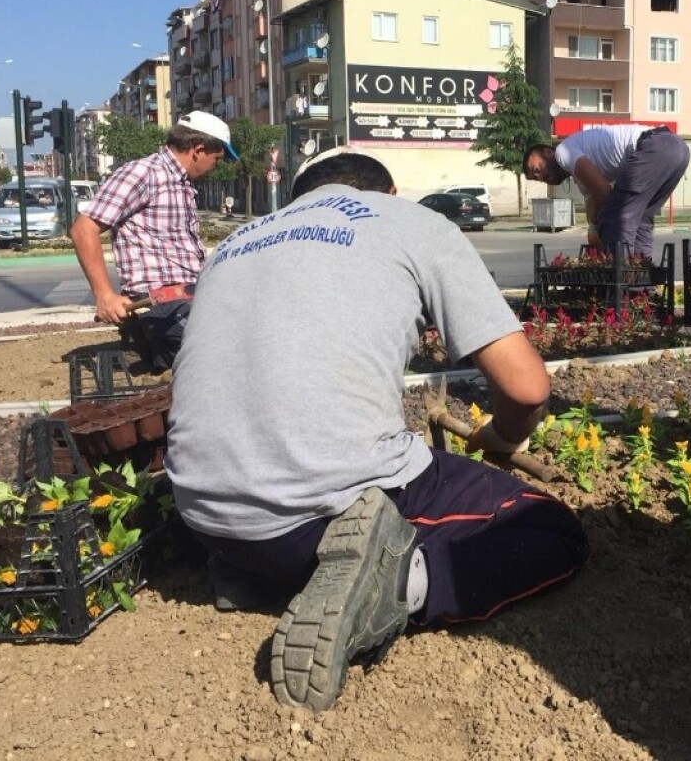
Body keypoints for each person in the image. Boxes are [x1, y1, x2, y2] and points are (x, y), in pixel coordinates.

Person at [165, 151, 589, 714]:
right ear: (388, 194)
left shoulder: (238, 242)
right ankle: (402, 586)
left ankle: (257, 577)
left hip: (208, 519)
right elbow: (527, 388)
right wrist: (503, 439)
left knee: (306, 512)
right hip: (316, 510)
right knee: (552, 533)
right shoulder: (411, 222)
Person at [70, 110, 237, 371]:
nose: (215, 166)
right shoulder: (143, 174)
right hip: (160, 305)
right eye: (216, 158)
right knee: (223, 352)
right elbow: (84, 228)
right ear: (198, 150)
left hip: (186, 298)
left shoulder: (180, 184)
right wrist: (104, 295)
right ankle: (145, 342)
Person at [522, 124, 690, 262]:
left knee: (615, 218)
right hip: (677, 149)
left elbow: (602, 191)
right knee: (642, 220)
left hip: (653, 148)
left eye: (536, 169)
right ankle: (642, 291)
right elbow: (592, 200)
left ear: (548, 152)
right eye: (536, 178)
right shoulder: (578, 164)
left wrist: (603, 231)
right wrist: (593, 228)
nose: (540, 176)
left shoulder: (563, 152)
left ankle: (621, 287)